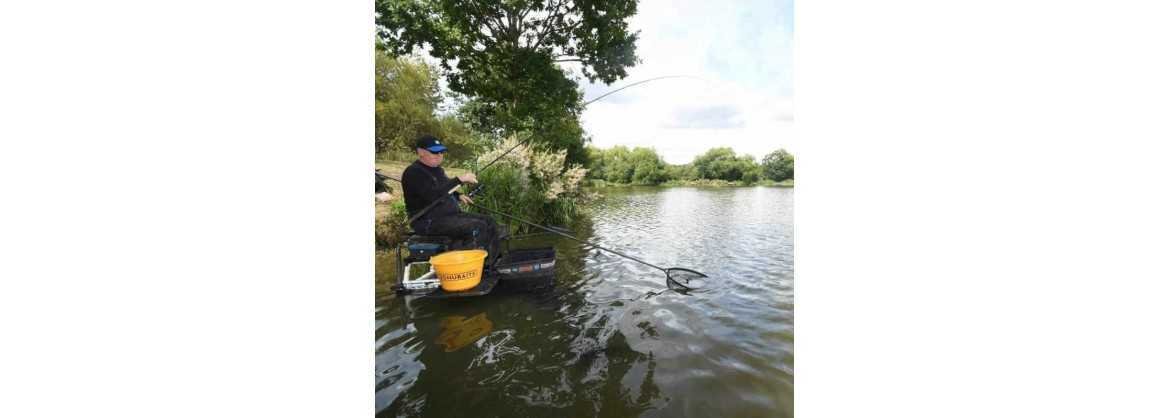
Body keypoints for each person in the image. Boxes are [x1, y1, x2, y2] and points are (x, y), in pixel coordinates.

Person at [401, 134, 501, 266]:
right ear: (421, 152)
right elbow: (432, 195)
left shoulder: (437, 170)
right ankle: (466, 267)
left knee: (489, 221)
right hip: (427, 221)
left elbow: (444, 188)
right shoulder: (413, 172)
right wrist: (459, 180)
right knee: (476, 227)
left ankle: (490, 263)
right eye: (434, 152)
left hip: (449, 216)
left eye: (441, 152)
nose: (439, 155)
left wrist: (458, 195)